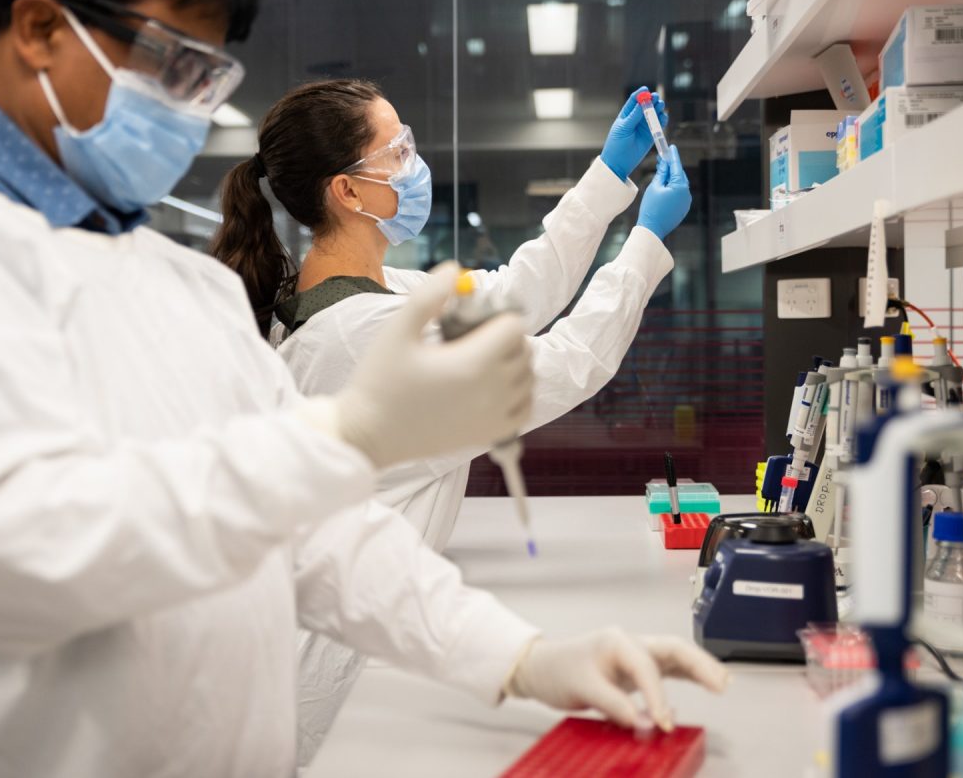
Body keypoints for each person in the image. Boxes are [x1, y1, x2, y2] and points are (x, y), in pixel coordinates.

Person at [0, 0, 726, 776]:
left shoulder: (182, 290)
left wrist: (516, 657)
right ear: (41, 30)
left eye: (210, 78)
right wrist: (350, 437)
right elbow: (5, 552)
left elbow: (314, 532)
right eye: (172, 66)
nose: (193, 109)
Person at [211, 79, 697, 764]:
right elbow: (563, 363)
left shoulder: (347, 292)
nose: (416, 164)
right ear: (347, 193)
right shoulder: (365, 334)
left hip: (363, 629)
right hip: (336, 668)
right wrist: (644, 241)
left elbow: (511, 295)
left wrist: (609, 175)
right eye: (398, 150)